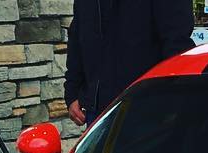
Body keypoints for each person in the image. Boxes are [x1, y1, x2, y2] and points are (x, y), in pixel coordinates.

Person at [65, 0, 195, 127]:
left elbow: (177, 44)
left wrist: (173, 101)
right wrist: (72, 92)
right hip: (98, 111)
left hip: (146, 108)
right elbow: (78, 35)